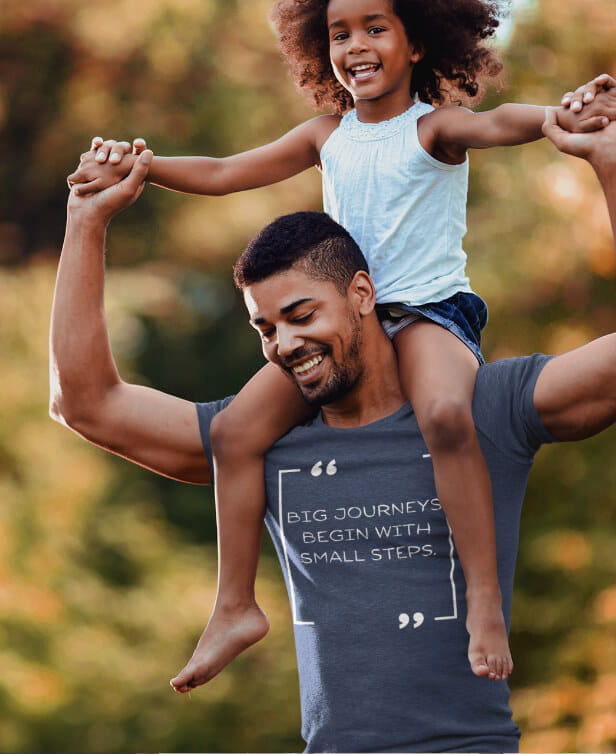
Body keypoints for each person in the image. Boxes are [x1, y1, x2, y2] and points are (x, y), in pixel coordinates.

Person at [66, 0, 616, 686]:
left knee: (448, 417)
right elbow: (225, 170)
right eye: (339, 32)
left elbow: (500, 123)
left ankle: (481, 600)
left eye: (375, 28)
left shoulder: (433, 128)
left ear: (417, 43)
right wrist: (141, 168)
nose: (355, 44)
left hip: (426, 315)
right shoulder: (327, 135)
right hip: (346, 325)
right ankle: (234, 606)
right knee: (236, 433)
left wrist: (556, 121)